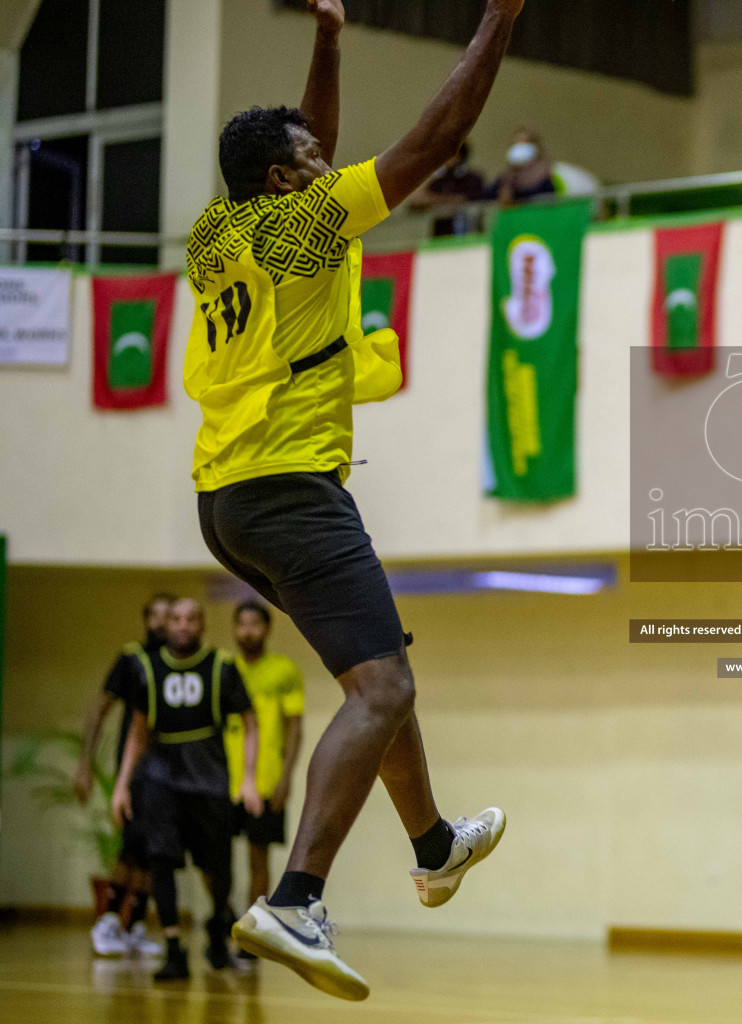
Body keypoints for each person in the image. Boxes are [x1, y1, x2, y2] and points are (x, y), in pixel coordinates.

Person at [181, 0, 517, 1001]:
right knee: (384, 691)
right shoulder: (308, 219)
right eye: (311, 156)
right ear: (286, 181)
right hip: (291, 486)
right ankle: (294, 896)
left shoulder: (217, 230)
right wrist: (499, 18)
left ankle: (432, 840)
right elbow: (438, 140)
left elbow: (307, 138)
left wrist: (328, 42)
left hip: (227, 496)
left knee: (382, 667)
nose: (329, 160)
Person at [110, 598, 262, 983]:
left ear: (202, 625)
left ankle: (216, 928)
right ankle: (174, 949)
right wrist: (122, 785)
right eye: (175, 619)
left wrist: (247, 777)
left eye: (191, 619)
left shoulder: (221, 667)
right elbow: (137, 732)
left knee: (219, 867)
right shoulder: (147, 667)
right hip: (161, 781)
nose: (181, 625)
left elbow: (251, 722)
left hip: (209, 782)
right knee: (161, 862)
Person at [75, 591, 176, 958]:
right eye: (157, 615)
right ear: (146, 619)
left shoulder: (178, 663)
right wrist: (85, 764)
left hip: (170, 770)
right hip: (134, 770)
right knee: (132, 844)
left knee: (154, 850)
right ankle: (107, 922)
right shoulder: (131, 658)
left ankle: (132, 926)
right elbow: (100, 709)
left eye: (171, 615)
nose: (163, 622)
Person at [223, 599, 304, 951]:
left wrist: (286, 777)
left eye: (254, 623)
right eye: (241, 624)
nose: (248, 631)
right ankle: (224, 917)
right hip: (223, 782)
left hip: (268, 779)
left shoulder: (284, 670)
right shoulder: (224, 670)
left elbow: (295, 728)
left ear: (267, 628)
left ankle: (253, 931)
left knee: (259, 857)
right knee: (215, 859)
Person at [491, 127, 598, 204]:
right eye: (516, 144)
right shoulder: (505, 179)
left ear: (536, 148)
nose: (520, 148)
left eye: (525, 144)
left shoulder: (549, 175)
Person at [406, 141, 486, 236]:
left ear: (460, 157)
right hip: (441, 236)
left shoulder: (472, 178)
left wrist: (436, 201)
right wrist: (434, 176)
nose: (444, 161)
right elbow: (416, 202)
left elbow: (463, 199)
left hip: (467, 233)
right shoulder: (440, 180)